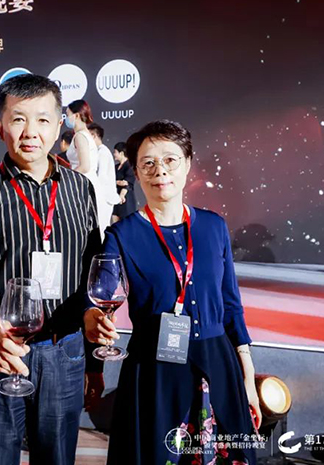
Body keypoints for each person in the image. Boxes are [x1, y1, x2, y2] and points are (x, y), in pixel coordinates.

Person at [0, 74, 102, 465]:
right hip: (0, 350)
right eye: (18, 119)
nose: (30, 131)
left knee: (57, 456)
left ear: (59, 126)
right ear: (0, 127)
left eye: (43, 120)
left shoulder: (79, 188)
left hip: (63, 349)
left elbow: (92, 265)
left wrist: (92, 326)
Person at [86, 120, 260, 465]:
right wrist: (94, 316)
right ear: (136, 172)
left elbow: (231, 305)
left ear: (188, 164)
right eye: (148, 163)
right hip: (155, 368)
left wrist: (248, 376)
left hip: (218, 364)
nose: (160, 171)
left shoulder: (214, 226)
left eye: (170, 160)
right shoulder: (122, 234)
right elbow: (101, 288)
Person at [88, 123, 120, 236]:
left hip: (104, 197)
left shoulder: (103, 152)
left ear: (94, 136)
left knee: (102, 228)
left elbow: (101, 177)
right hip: (101, 197)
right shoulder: (99, 151)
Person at [111, 141, 136, 223]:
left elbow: (127, 183)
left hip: (126, 200)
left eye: (115, 152)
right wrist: (118, 182)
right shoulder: (115, 167)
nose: (114, 154)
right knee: (115, 224)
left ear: (121, 153)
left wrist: (121, 195)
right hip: (116, 198)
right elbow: (111, 181)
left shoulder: (130, 166)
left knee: (126, 224)